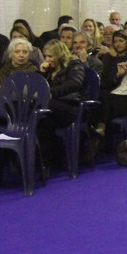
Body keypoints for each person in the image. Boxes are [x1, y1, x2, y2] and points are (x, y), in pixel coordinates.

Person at [37, 40, 86, 175]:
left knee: (42, 105)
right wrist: (41, 74)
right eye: (46, 56)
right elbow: (38, 87)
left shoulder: (74, 64)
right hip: (52, 110)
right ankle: (44, 165)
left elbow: (75, 83)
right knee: (43, 123)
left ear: (59, 55)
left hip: (70, 106)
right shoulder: (48, 70)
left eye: (50, 56)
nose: (47, 60)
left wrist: (51, 93)